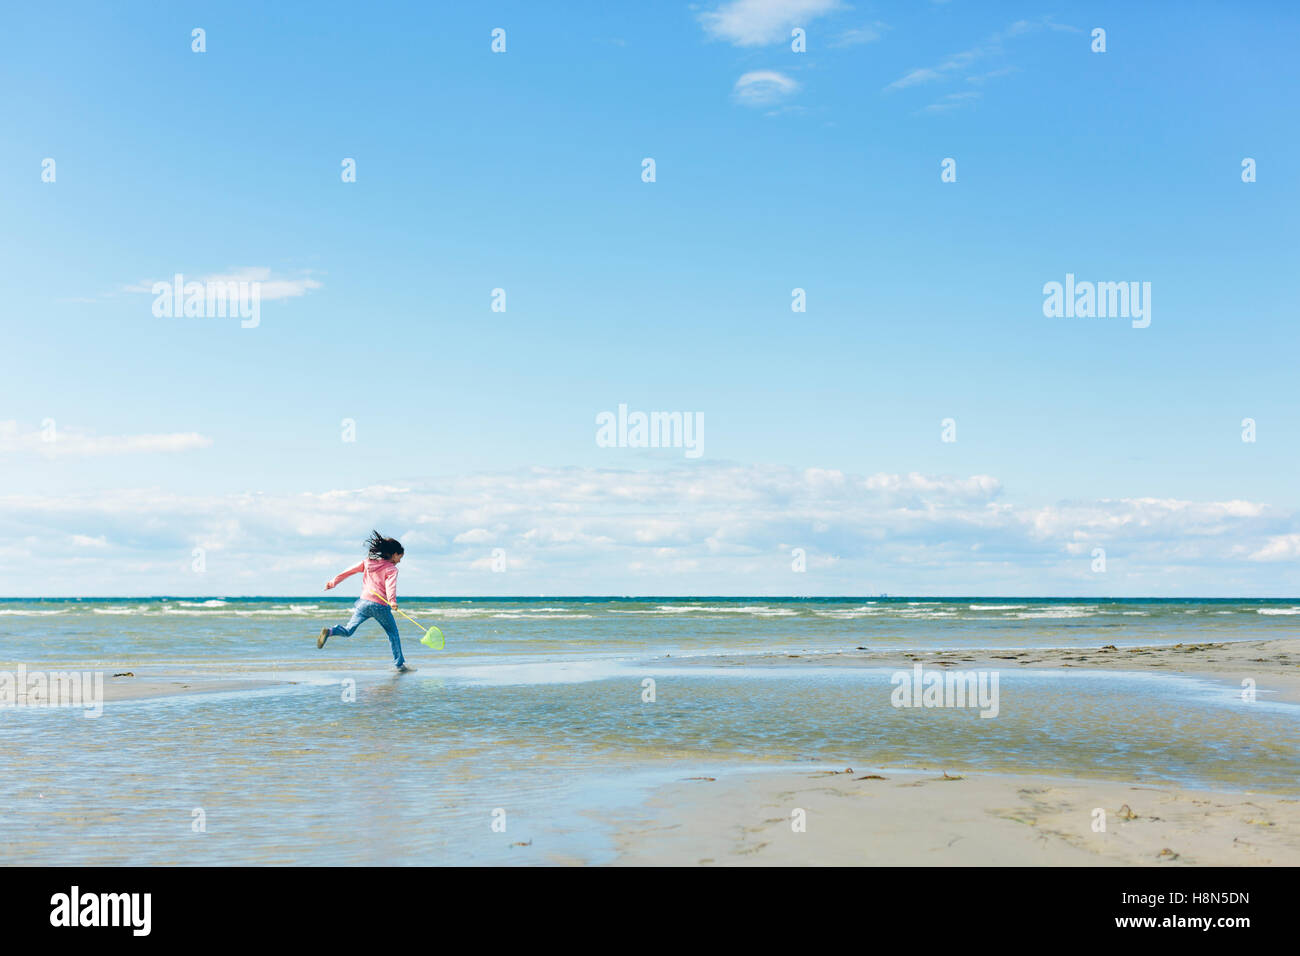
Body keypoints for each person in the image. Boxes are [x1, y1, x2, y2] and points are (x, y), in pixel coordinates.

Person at [318, 530, 416, 672]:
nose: (399, 561)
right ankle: (399, 664)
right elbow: (390, 585)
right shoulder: (391, 569)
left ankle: (330, 631)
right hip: (380, 606)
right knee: (393, 634)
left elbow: (348, 571)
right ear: (394, 554)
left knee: (348, 630)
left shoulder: (368, 563)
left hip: (363, 603)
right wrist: (392, 601)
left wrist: (333, 583)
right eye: (400, 557)